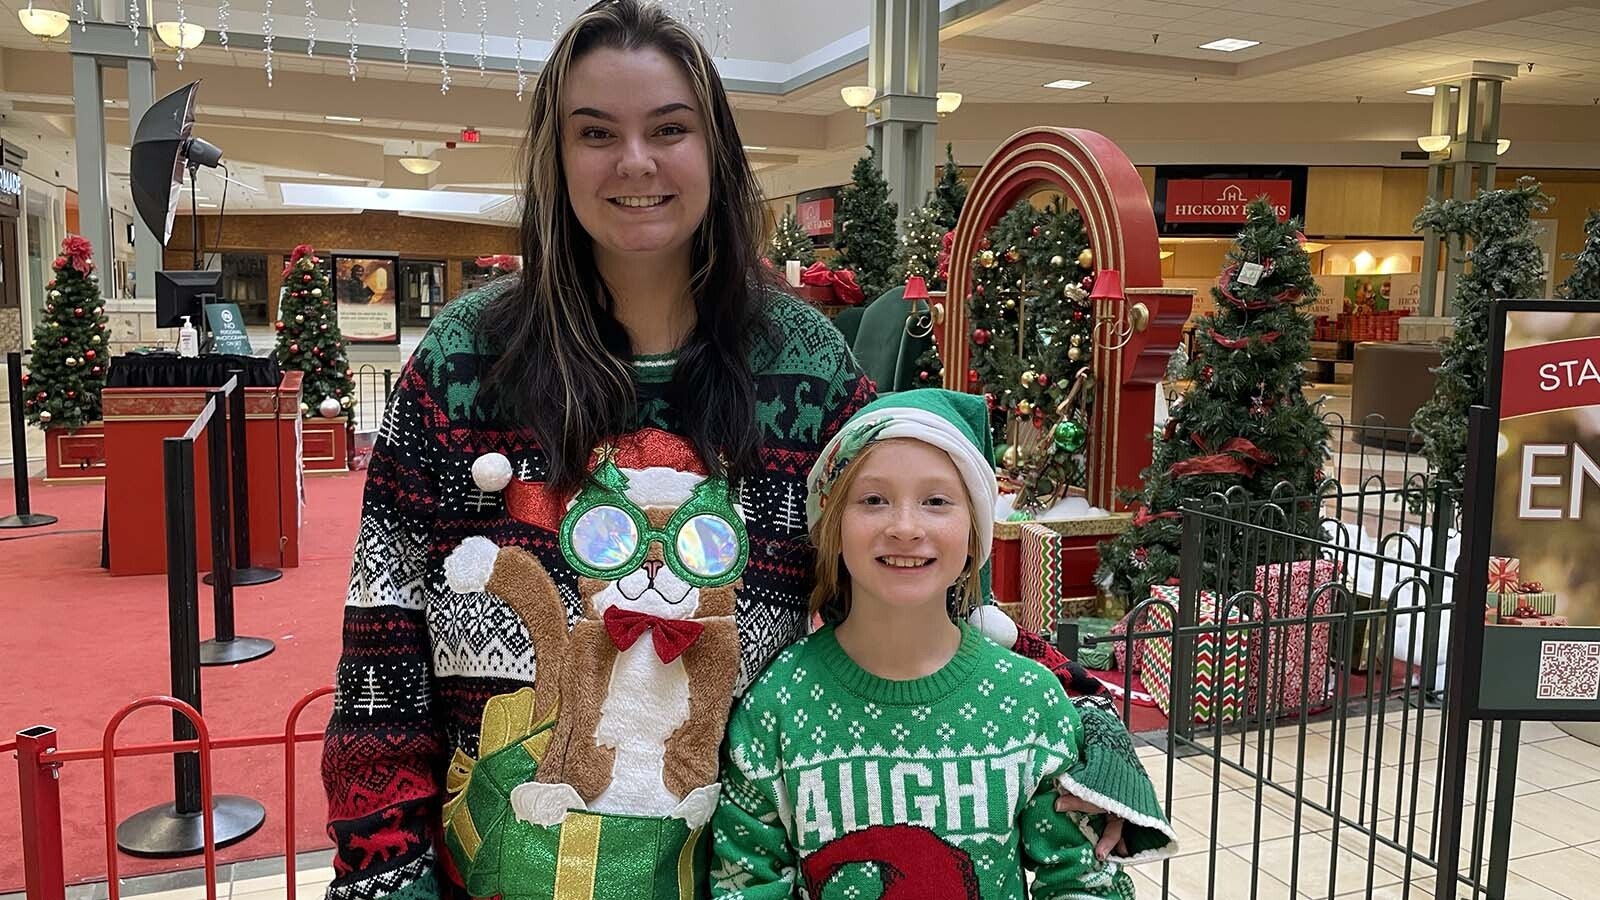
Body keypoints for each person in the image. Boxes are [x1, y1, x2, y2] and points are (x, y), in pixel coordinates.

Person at [318, 2, 873, 897]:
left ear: (717, 152)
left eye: (670, 129)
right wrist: (383, 870)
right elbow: (383, 641)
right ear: (557, 157)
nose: (635, 161)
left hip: (741, 874)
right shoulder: (465, 360)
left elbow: (911, 563)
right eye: (596, 132)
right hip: (499, 870)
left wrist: (1072, 708)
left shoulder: (804, 363)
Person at [710, 390, 1177, 900]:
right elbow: (746, 884)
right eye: (873, 500)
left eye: (936, 501)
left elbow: (1078, 881)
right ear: (833, 526)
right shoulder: (775, 706)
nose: (905, 528)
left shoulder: (1030, 700)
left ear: (974, 534)